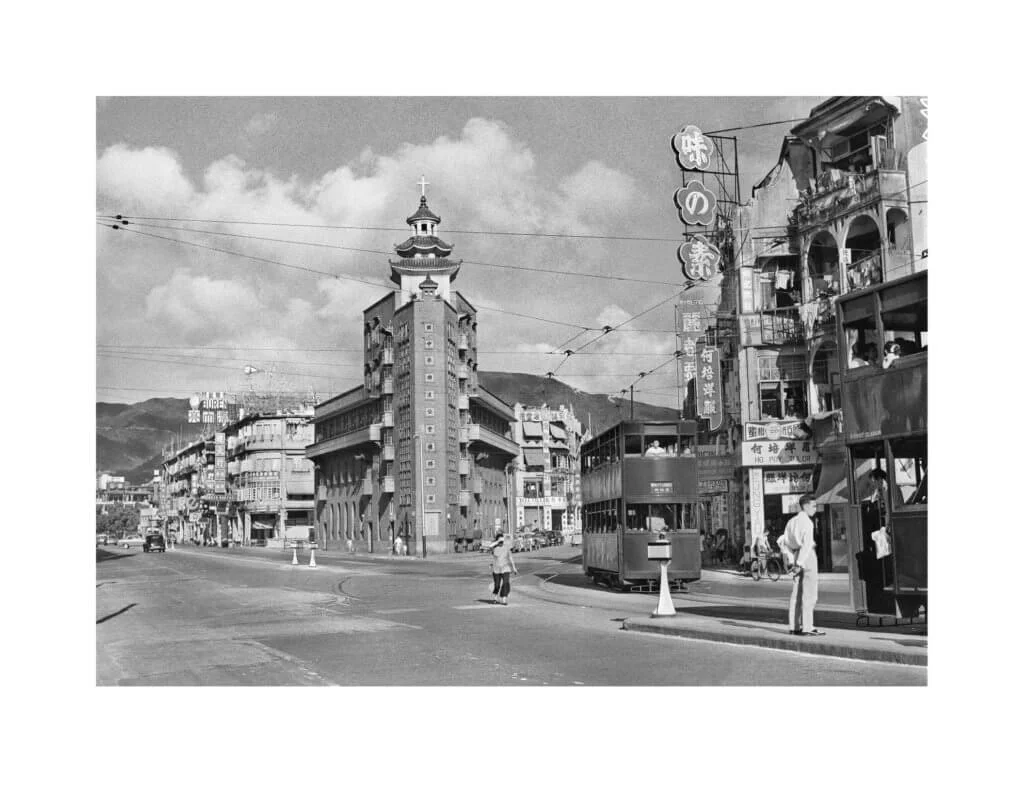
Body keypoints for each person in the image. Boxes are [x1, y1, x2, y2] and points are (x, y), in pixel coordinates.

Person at [778, 495, 824, 636]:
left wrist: (793, 560)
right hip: (807, 556)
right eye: (814, 506)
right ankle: (808, 627)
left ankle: (794, 626)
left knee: (796, 593)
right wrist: (800, 563)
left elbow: (785, 542)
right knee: (810, 593)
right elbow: (807, 545)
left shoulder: (791, 522)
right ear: (806, 506)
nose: (815, 509)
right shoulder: (808, 523)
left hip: (796, 554)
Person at [487, 531, 518, 605]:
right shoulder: (494, 548)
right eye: (500, 541)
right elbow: (489, 547)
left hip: (505, 568)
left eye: (502, 540)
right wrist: (497, 541)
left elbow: (510, 557)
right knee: (497, 585)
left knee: (505, 583)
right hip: (496, 569)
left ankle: (504, 599)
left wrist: (514, 567)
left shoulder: (506, 547)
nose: (502, 542)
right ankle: (495, 597)